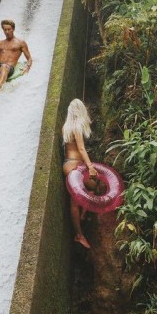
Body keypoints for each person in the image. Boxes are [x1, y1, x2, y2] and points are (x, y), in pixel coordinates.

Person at [62, 98, 97, 249]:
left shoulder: (66, 127)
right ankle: (79, 235)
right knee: (93, 187)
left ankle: (83, 215)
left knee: (85, 192)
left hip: (68, 165)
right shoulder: (76, 127)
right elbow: (81, 149)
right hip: (75, 167)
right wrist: (90, 166)